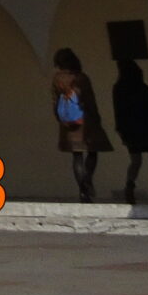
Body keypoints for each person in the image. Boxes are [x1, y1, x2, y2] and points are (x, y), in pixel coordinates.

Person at [53, 48, 113, 200]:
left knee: (77, 156)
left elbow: (55, 101)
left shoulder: (57, 79)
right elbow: (90, 99)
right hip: (86, 121)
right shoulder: (81, 78)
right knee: (92, 151)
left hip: (68, 123)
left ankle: (82, 190)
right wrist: (96, 117)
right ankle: (87, 180)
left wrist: (61, 118)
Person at [113, 57, 148, 206]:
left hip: (132, 131)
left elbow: (118, 112)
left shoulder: (119, 88)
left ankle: (129, 189)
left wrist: (121, 130)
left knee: (135, 161)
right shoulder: (143, 88)